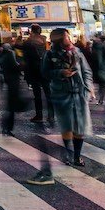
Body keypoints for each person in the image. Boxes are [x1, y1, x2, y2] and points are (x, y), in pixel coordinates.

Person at [42, 27, 93, 167]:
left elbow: (87, 71)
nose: (68, 38)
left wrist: (89, 88)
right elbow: (45, 73)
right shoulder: (50, 54)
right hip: (61, 94)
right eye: (65, 36)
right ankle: (68, 153)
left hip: (79, 93)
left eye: (68, 36)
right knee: (67, 126)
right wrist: (60, 72)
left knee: (80, 127)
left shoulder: (77, 52)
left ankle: (77, 156)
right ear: (58, 39)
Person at [22, 24, 53, 127]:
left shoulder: (28, 42)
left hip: (34, 70)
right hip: (45, 69)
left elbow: (26, 59)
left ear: (32, 31)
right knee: (48, 93)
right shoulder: (45, 41)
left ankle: (39, 115)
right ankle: (51, 115)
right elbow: (49, 54)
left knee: (37, 94)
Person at [0, 39, 24, 135]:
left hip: (8, 81)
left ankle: (6, 127)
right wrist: (22, 66)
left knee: (10, 106)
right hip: (13, 81)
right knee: (11, 106)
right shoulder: (11, 54)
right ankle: (7, 128)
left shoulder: (3, 56)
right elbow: (15, 66)